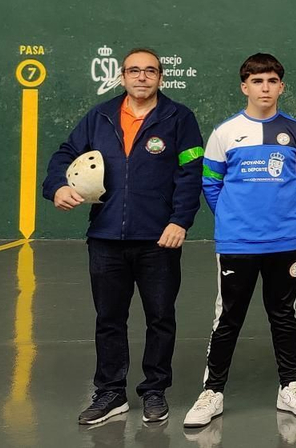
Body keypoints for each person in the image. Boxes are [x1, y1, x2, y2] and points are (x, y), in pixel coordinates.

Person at [44, 47, 203, 425]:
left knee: (160, 317)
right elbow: (64, 154)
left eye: (150, 71)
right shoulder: (99, 116)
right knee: (109, 318)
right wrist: (56, 187)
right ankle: (110, 392)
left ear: (161, 77)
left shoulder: (179, 117)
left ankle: (154, 390)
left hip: (158, 238)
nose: (142, 77)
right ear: (122, 76)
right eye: (134, 70)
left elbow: (191, 171)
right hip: (105, 236)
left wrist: (180, 220)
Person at [183, 53, 296, 427]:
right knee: (228, 318)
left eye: (272, 81)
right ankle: (212, 391)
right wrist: (235, 218)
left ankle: (290, 385)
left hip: (285, 241)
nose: (265, 87)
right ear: (245, 87)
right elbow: (211, 184)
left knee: (284, 315)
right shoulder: (224, 133)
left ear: (281, 86)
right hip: (237, 243)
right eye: (257, 81)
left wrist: (283, 215)